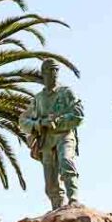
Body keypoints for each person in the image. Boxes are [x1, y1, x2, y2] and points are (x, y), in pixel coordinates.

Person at [19, 58, 84, 210]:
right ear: (43, 74)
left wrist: (59, 121)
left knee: (66, 160)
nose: (52, 73)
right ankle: (57, 208)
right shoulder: (38, 99)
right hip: (47, 140)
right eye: (48, 70)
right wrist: (40, 124)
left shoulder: (66, 92)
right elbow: (23, 121)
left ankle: (73, 198)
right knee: (50, 180)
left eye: (55, 70)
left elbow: (78, 115)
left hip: (64, 135)